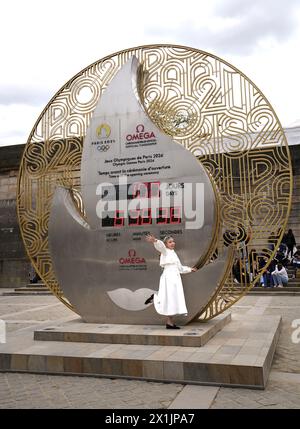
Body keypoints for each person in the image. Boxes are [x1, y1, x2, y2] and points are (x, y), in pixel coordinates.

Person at [145, 234, 197, 329]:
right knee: (170, 298)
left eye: (173, 241)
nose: (172, 243)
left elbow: (180, 268)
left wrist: (190, 269)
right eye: (170, 242)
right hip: (169, 277)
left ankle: (169, 323)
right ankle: (156, 299)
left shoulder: (173, 253)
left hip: (175, 278)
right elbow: (160, 246)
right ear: (166, 244)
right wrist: (155, 241)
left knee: (172, 300)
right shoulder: (165, 251)